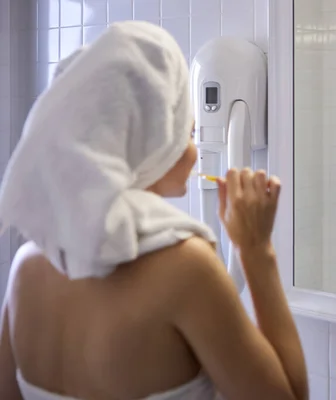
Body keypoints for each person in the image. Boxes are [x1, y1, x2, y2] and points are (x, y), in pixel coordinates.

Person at [0, 21, 308, 400]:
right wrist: (256, 250)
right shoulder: (185, 266)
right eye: (188, 133)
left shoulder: (28, 263)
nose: (196, 150)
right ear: (151, 138)